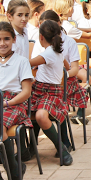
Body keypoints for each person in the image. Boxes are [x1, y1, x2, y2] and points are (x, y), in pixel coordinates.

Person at [0, 21, 34, 180]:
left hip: (14, 102)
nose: (2, 43)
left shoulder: (21, 61)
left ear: (14, 39)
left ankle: (12, 170)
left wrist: (7, 103)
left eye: (6, 39)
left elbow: (26, 92)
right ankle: (8, 170)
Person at [29, 20, 73, 166]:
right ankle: (30, 147)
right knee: (27, 112)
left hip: (50, 93)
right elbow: (66, 65)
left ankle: (61, 148)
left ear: (41, 37)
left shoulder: (48, 53)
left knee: (41, 116)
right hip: (38, 91)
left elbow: (27, 63)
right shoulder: (56, 51)